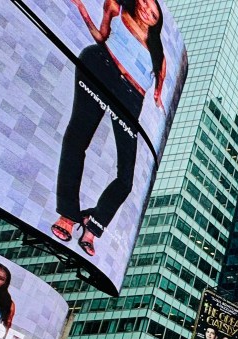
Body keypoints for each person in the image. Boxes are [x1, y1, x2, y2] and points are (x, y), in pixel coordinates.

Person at [52, 0, 167, 259]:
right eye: (147, 4)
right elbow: (100, 37)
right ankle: (68, 216)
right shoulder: (116, 8)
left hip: (131, 95)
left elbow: (157, 85)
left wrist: (158, 97)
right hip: (100, 65)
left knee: (126, 178)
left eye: (155, 13)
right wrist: (82, 9)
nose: (149, 12)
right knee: (77, 139)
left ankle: (94, 224)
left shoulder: (158, 50)